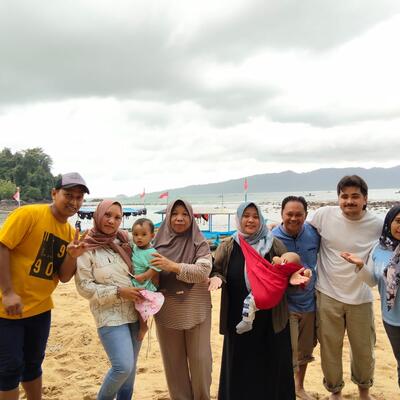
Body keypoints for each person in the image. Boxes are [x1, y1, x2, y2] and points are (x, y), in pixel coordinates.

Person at [0, 172, 90, 400]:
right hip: (8, 309)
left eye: (79, 197)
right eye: (68, 195)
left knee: (33, 364)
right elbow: (2, 246)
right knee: (9, 368)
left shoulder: (69, 232)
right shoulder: (29, 214)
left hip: (41, 309)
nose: (74, 202)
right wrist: (8, 292)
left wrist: (73, 255)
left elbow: (64, 276)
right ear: (54, 193)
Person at [209, 201, 310, 400]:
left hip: (271, 318)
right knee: (240, 367)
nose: (251, 220)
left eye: (255, 216)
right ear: (239, 219)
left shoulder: (274, 244)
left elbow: (286, 272)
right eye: (246, 216)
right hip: (238, 318)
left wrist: (295, 277)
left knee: (271, 366)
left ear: (261, 219)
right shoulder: (228, 246)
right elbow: (217, 270)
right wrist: (216, 279)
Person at [310, 175, 382, 400]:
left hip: (361, 296)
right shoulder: (323, 215)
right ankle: (335, 391)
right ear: (338, 198)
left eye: (355, 196)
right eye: (344, 196)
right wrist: (274, 227)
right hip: (328, 293)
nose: (349, 201)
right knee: (329, 348)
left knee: (364, 349)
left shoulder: (378, 225)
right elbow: (298, 228)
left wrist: (361, 265)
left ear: (365, 199)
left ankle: (364, 391)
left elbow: (383, 260)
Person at [75, 200, 143, 400]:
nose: (112, 221)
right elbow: (84, 287)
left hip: (135, 312)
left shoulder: (125, 240)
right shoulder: (85, 247)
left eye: (117, 217)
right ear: (98, 215)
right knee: (123, 367)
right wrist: (118, 291)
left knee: (130, 374)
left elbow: (149, 255)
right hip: (109, 314)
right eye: (107, 215)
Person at [151, 199, 213, 400]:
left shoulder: (199, 242)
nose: (179, 218)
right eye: (175, 213)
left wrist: (173, 266)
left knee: (200, 360)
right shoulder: (155, 244)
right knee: (173, 363)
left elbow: (203, 271)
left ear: (191, 217)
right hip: (167, 310)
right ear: (168, 216)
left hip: (197, 309)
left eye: (185, 214)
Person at [341, 205, 400, 389]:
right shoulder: (379, 249)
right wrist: (360, 265)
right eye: (398, 221)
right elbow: (373, 281)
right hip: (392, 319)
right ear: (389, 223)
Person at [272, 195, 320, 400]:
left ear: (306, 215)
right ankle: (285, 388)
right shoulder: (272, 237)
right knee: (287, 349)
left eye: (298, 214)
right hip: (285, 304)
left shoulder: (313, 233)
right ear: (282, 214)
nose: (293, 218)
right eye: (289, 214)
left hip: (310, 302)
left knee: (305, 349)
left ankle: (299, 386)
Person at [236, 251, 304, 334]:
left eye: (282, 257)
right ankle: (248, 319)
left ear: (285, 261)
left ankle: (247, 321)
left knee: (248, 302)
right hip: (271, 299)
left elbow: (276, 260)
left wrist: (277, 259)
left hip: (265, 295)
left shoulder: (283, 267)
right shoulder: (287, 270)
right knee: (252, 306)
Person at [130, 218, 163, 340]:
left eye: (144, 234)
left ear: (152, 236)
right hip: (134, 280)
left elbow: (156, 267)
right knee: (135, 305)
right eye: (135, 234)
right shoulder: (135, 247)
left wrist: (145, 276)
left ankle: (144, 327)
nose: (139, 238)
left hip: (144, 283)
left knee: (141, 307)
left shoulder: (152, 252)